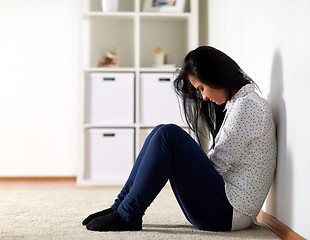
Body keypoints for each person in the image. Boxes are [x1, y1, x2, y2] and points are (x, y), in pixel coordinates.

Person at [82, 46, 277, 232]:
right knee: (160, 131)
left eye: (201, 88)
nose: (204, 97)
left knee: (168, 135)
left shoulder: (247, 107)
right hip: (223, 209)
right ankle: (120, 207)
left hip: (227, 213)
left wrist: (184, 160)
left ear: (215, 77)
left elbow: (217, 167)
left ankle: (128, 214)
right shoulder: (240, 104)